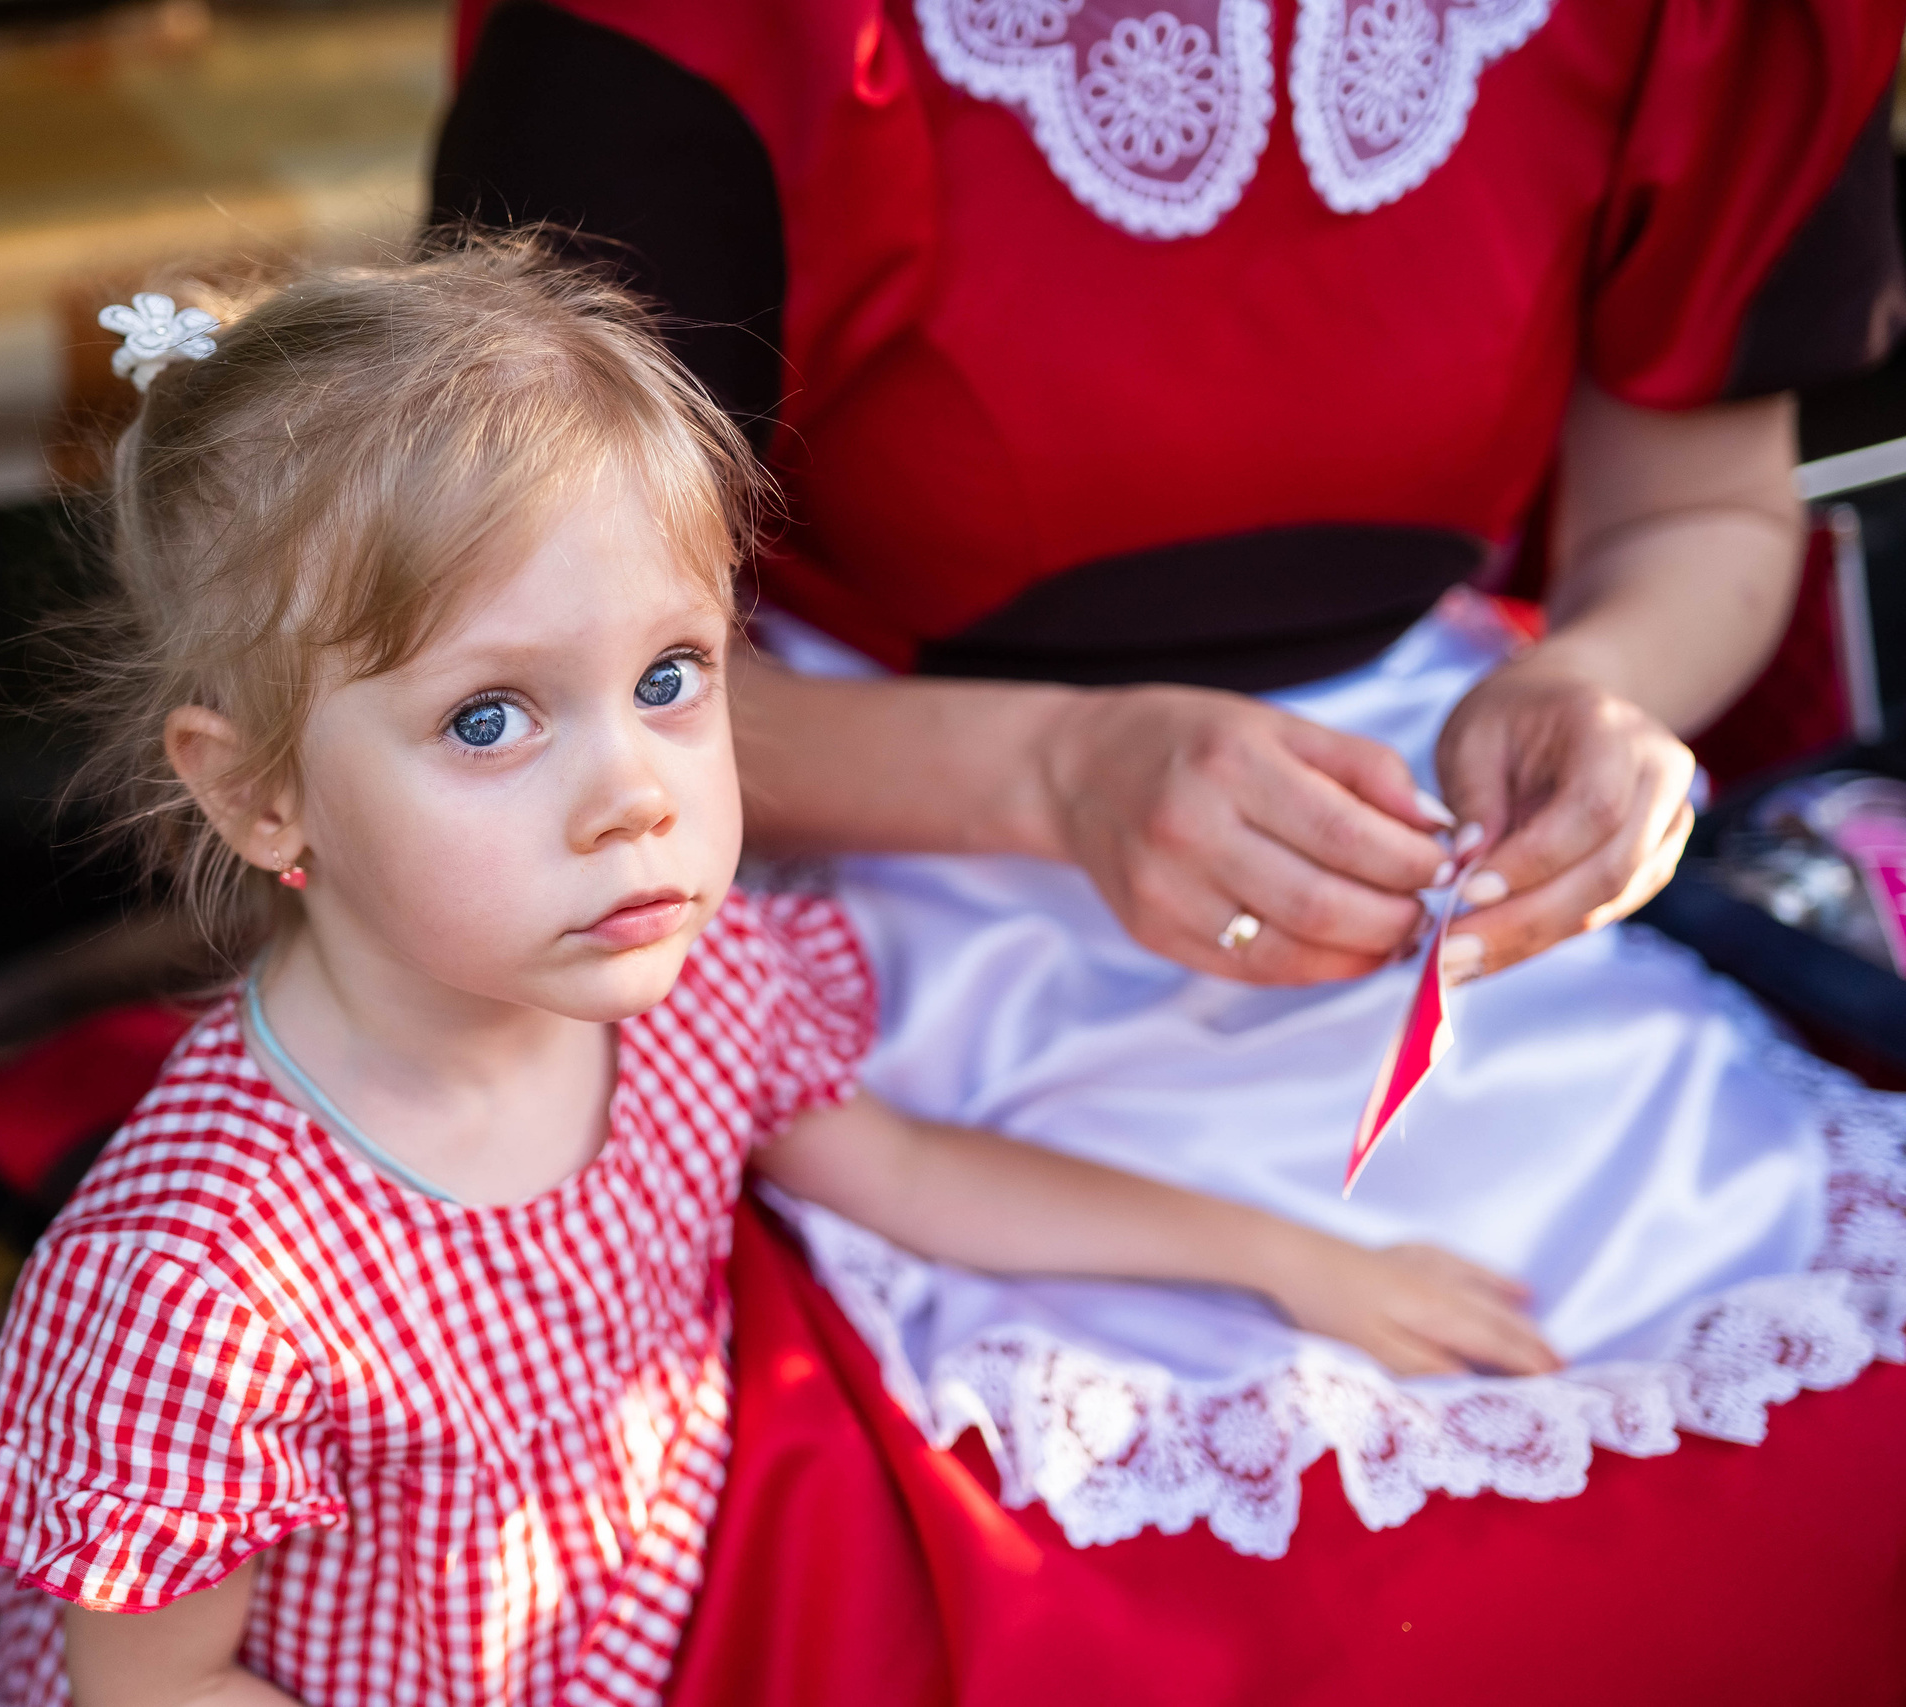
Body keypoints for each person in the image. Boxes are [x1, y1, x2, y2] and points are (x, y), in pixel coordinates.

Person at [0, 240, 1561, 1707]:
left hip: (665, 1625)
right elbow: (160, 1685)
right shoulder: (201, 1280)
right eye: (489, 717)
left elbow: (906, 1172)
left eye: (669, 676)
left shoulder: (686, 994)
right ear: (261, 794)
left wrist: (1286, 1260)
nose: (636, 793)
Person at [429, 0, 1906, 1603]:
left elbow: (1697, 512)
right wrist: (1058, 775)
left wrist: (1603, 688)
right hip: (855, 839)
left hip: (1469, 863)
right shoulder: (708, 37)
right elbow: (514, 684)